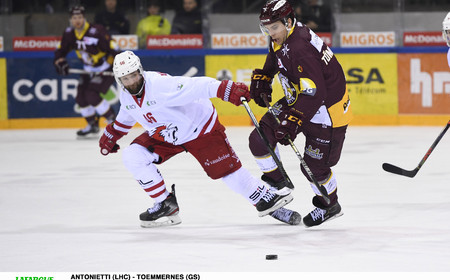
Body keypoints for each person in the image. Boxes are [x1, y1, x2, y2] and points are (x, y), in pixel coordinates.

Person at [98, 50, 300, 227]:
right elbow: (128, 114)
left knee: (228, 174)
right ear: (119, 80)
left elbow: (196, 85)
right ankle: (165, 204)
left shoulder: (159, 85)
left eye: (134, 75)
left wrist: (224, 89)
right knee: (133, 155)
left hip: (200, 128)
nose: (131, 81)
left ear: (140, 71)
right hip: (168, 135)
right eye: (125, 78)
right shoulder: (125, 94)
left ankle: (266, 198)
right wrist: (112, 134)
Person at [249, 0, 352, 227]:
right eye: (266, 28)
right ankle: (279, 184)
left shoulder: (300, 48)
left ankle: (329, 205)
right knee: (259, 138)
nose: (269, 33)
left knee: (314, 167)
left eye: (273, 27)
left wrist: (293, 120)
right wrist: (265, 76)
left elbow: (316, 93)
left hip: (327, 111)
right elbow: (276, 55)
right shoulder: (284, 34)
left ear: (288, 22)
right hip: (300, 98)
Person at [54, 6, 118, 137]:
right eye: (74, 18)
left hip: (104, 69)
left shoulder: (97, 31)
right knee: (81, 97)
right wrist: (59, 61)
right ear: (70, 20)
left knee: (91, 94)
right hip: (88, 70)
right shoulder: (69, 34)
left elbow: (113, 48)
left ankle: (113, 121)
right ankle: (92, 125)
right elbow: (61, 51)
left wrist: (114, 65)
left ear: (84, 18)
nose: (77, 20)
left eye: (80, 17)